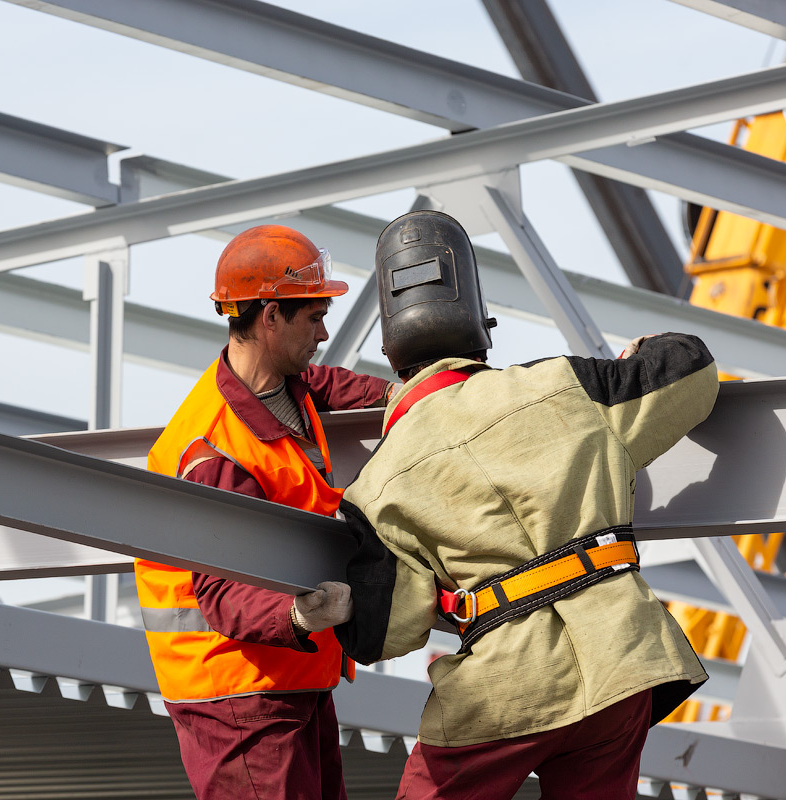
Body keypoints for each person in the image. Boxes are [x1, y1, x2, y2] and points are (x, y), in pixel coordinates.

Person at [334, 210, 719, 800]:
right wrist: (648, 348)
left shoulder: (376, 486)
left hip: (505, 692)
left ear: (390, 357)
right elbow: (690, 370)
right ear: (479, 325)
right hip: (621, 657)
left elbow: (385, 632)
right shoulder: (565, 387)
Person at [135, 224, 395, 800]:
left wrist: (411, 394)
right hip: (238, 701)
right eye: (314, 317)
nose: (326, 332)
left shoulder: (284, 384)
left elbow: (327, 385)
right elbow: (222, 593)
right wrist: (303, 615)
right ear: (270, 315)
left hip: (291, 681)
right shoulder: (211, 450)